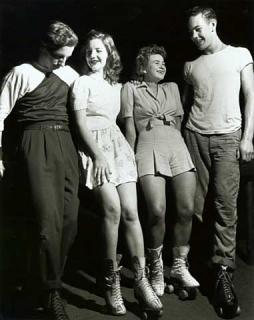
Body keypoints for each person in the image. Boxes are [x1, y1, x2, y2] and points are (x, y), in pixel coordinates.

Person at [70, 30, 163, 317]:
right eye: (89, 51)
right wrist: (97, 155)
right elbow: (80, 123)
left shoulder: (118, 87)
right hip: (93, 149)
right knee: (111, 209)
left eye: (99, 50)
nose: (93, 55)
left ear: (109, 54)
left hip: (118, 148)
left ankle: (141, 279)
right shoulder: (81, 82)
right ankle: (111, 282)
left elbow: (129, 110)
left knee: (132, 213)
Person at [0, 21, 80, 320]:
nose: (63, 61)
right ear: (45, 48)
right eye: (59, 55)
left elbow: (89, 108)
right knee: (48, 224)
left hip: (66, 143)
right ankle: (50, 292)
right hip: (35, 142)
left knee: (70, 219)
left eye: (68, 56)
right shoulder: (22, 72)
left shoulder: (69, 74)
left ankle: (44, 281)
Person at [183, 6, 254, 318]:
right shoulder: (190, 66)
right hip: (193, 137)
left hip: (228, 138)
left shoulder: (240, 55)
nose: (195, 36)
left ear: (213, 24)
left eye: (199, 29)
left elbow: (251, 98)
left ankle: (223, 275)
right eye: (191, 32)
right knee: (193, 206)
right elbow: (184, 108)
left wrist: (247, 138)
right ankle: (185, 269)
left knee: (226, 206)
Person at [121, 45, 199, 299]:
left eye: (163, 62)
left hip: (176, 146)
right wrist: (131, 158)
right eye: (156, 62)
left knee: (187, 208)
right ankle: (155, 267)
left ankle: (178, 265)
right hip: (147, 145)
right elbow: (130, 126)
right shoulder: (130, 88)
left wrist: (172, 140)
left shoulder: (172, 88)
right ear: (142, 67)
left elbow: (177, 122)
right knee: (157, 211)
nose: (162, 65)